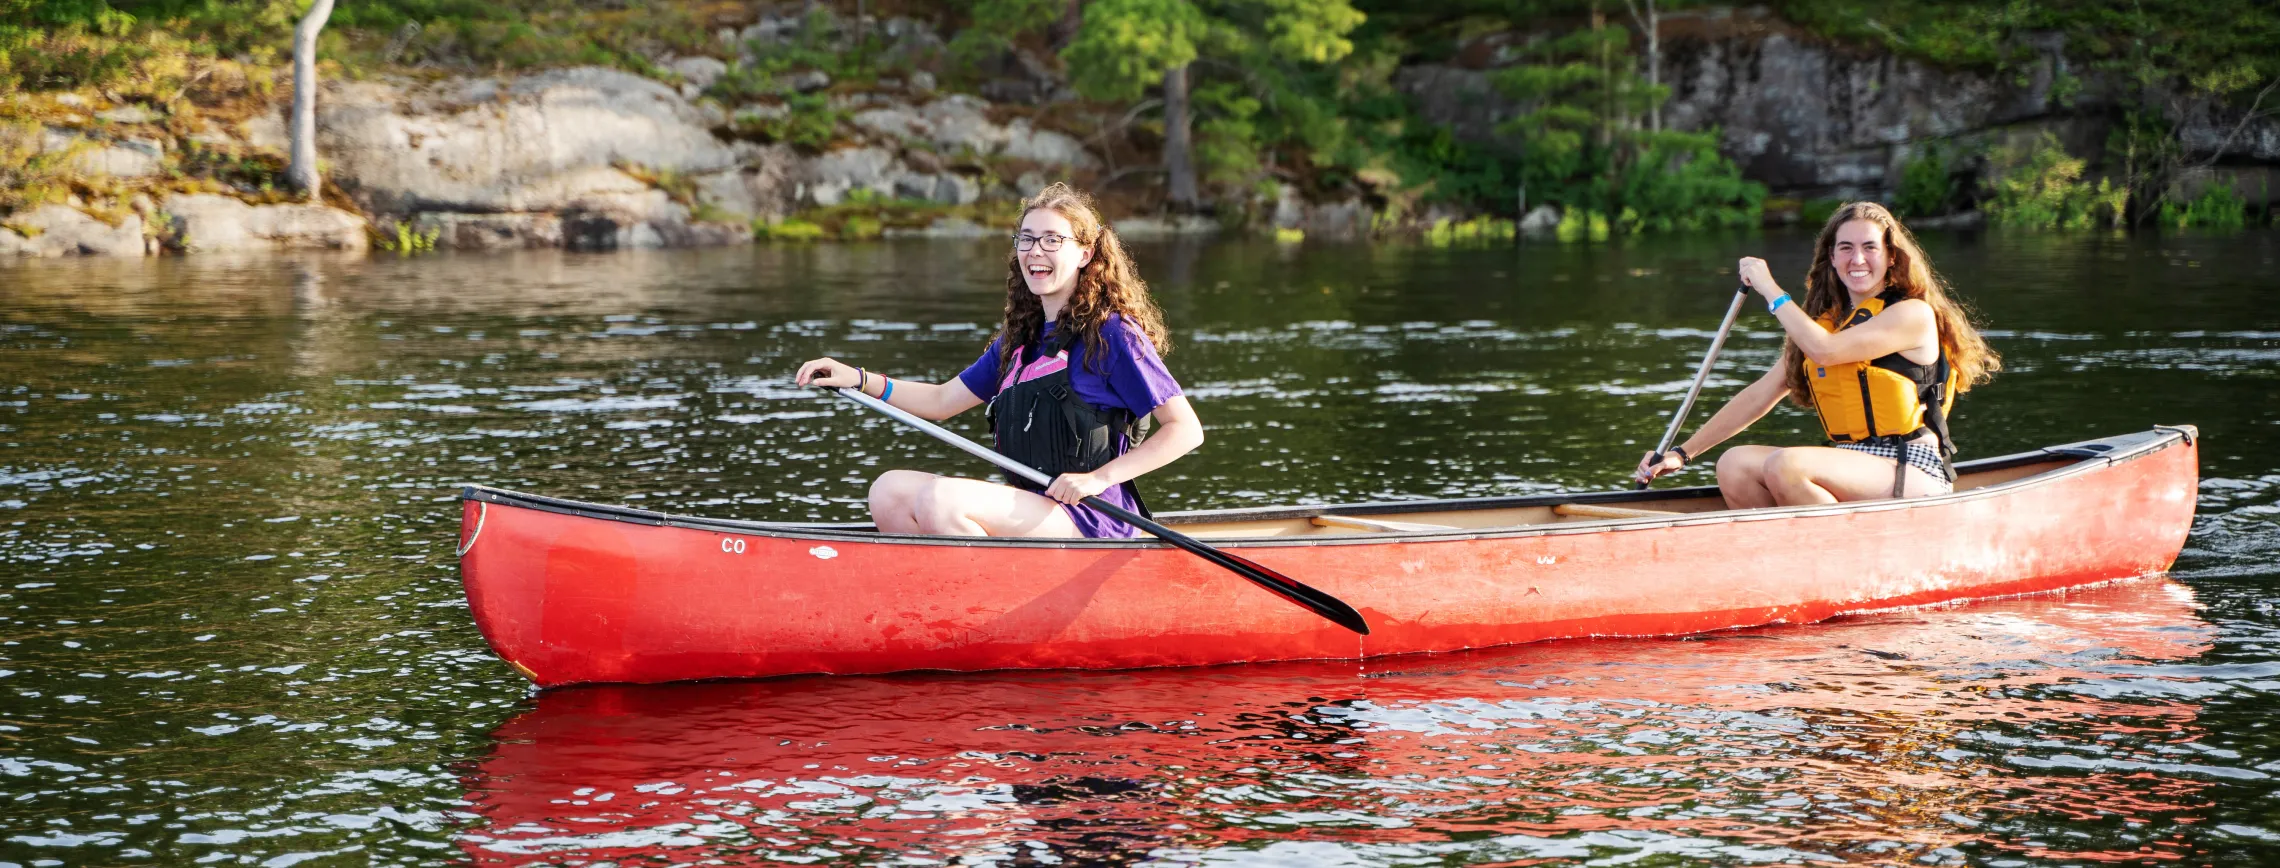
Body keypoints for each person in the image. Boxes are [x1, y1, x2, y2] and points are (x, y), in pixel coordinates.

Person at [793, 183, 1203, 537]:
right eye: (1026, 239)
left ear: (1084, 253)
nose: (1035, 250)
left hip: (1093, 518)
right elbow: (940, 402)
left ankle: (972, 617)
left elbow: (1185, 430)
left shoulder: (1112, 334)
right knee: (889, 490)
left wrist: (1098, 479)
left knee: (944, 500)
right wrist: (858, 379)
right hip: (1032, 508)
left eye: (1052, 239)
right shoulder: (1017, 343)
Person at [1634, 201, 2000, 506]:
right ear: (1832, 256)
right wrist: (1681, 454)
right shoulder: (1825, 324)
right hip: (1853, 462)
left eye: (1870, 247)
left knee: (1787, 465)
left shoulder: (1911, 314)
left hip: (1912, 465)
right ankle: (1782, 563)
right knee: (1734, 464)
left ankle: (1837, 559)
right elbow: (1760, 395)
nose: (1858, 258)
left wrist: (1769, 289)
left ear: (1891, 257)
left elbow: (1824, 352)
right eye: (1846, 248)